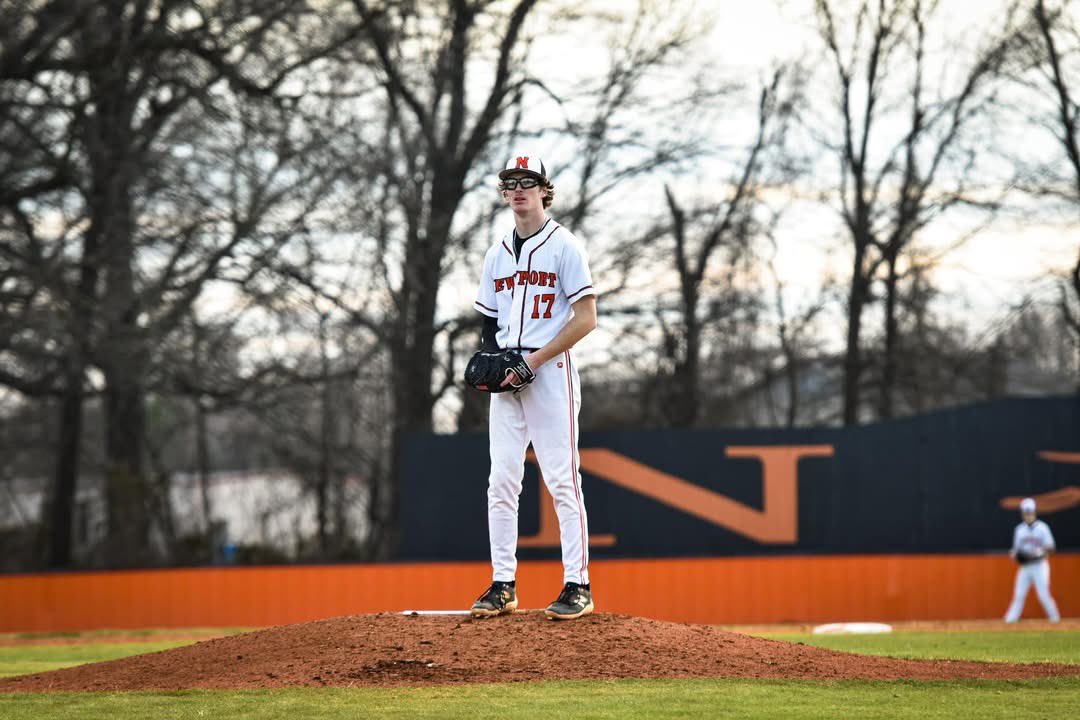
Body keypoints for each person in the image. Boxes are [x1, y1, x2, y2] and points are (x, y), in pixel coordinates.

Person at [469, 153, 598, 621]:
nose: (519, 189)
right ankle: (503, 583)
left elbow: (586, 319)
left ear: (545, 190)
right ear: (504, 192)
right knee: (501, 480)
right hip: (510, 377)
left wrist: (534, 361)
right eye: (511, 182)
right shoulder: (497, 253)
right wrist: (492, 360)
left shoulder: (564, 246)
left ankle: (578, 584)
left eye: (528, 181)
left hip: (550, 372)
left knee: (562, 479)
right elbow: (489, 322)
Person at [1004, 497, 1061, 623]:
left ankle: (1055, 620)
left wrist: (1038, 554)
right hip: (1025, 566)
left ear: (1034, 512)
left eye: (1030, 512)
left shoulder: (1043, 528)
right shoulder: (1019, 529)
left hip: (1039, 565)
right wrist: (1015, 554)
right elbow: (1016, 550)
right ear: (1022, 513)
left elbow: (1051, 547)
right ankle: (1010, 620)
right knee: (1019, 594)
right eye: (1026, 512)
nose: (1028, 515)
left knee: (1043, 595)